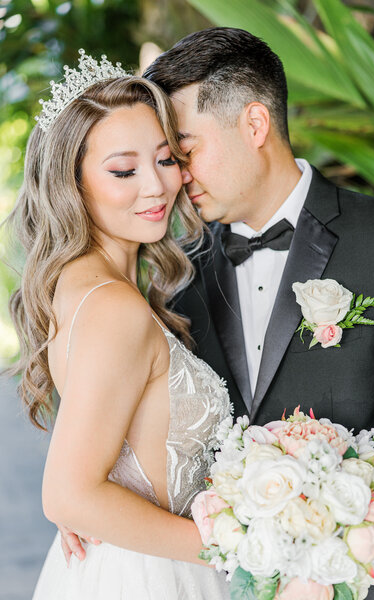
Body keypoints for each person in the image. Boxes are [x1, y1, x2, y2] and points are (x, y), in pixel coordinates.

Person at [60, 29, 374, 598]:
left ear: (255, 125)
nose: (172, 179)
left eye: (182, 153)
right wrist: (94, 495)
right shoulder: (173, 271)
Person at [8, 50, 230, 599]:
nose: (156, 187)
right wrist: (236, 545)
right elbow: (70, 496)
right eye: (124, 171)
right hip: (152, 576)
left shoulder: (87, 284)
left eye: (166, 159)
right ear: (72, 183)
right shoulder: (113, 305)